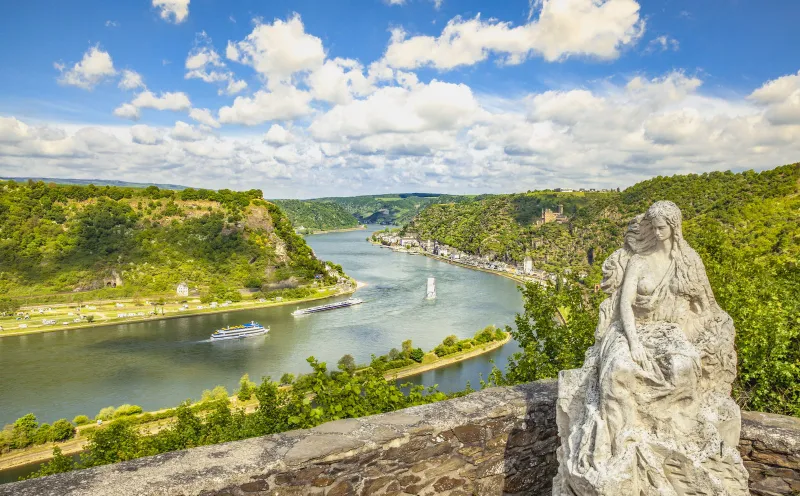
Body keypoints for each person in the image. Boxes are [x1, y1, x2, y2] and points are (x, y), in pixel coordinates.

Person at [554, 201, 748, 495]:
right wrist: (633, 342)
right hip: (632, 330)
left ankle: (678, 435)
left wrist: (709, 335)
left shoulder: (688, 261)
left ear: (674, 228)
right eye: (653, 227)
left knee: (683, 368)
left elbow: (704, 306)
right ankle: (620, 444)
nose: (657, 233)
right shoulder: (639, 261)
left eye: (662, 228)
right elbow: (625, 305)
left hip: (669, 333)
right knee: (618, 370)